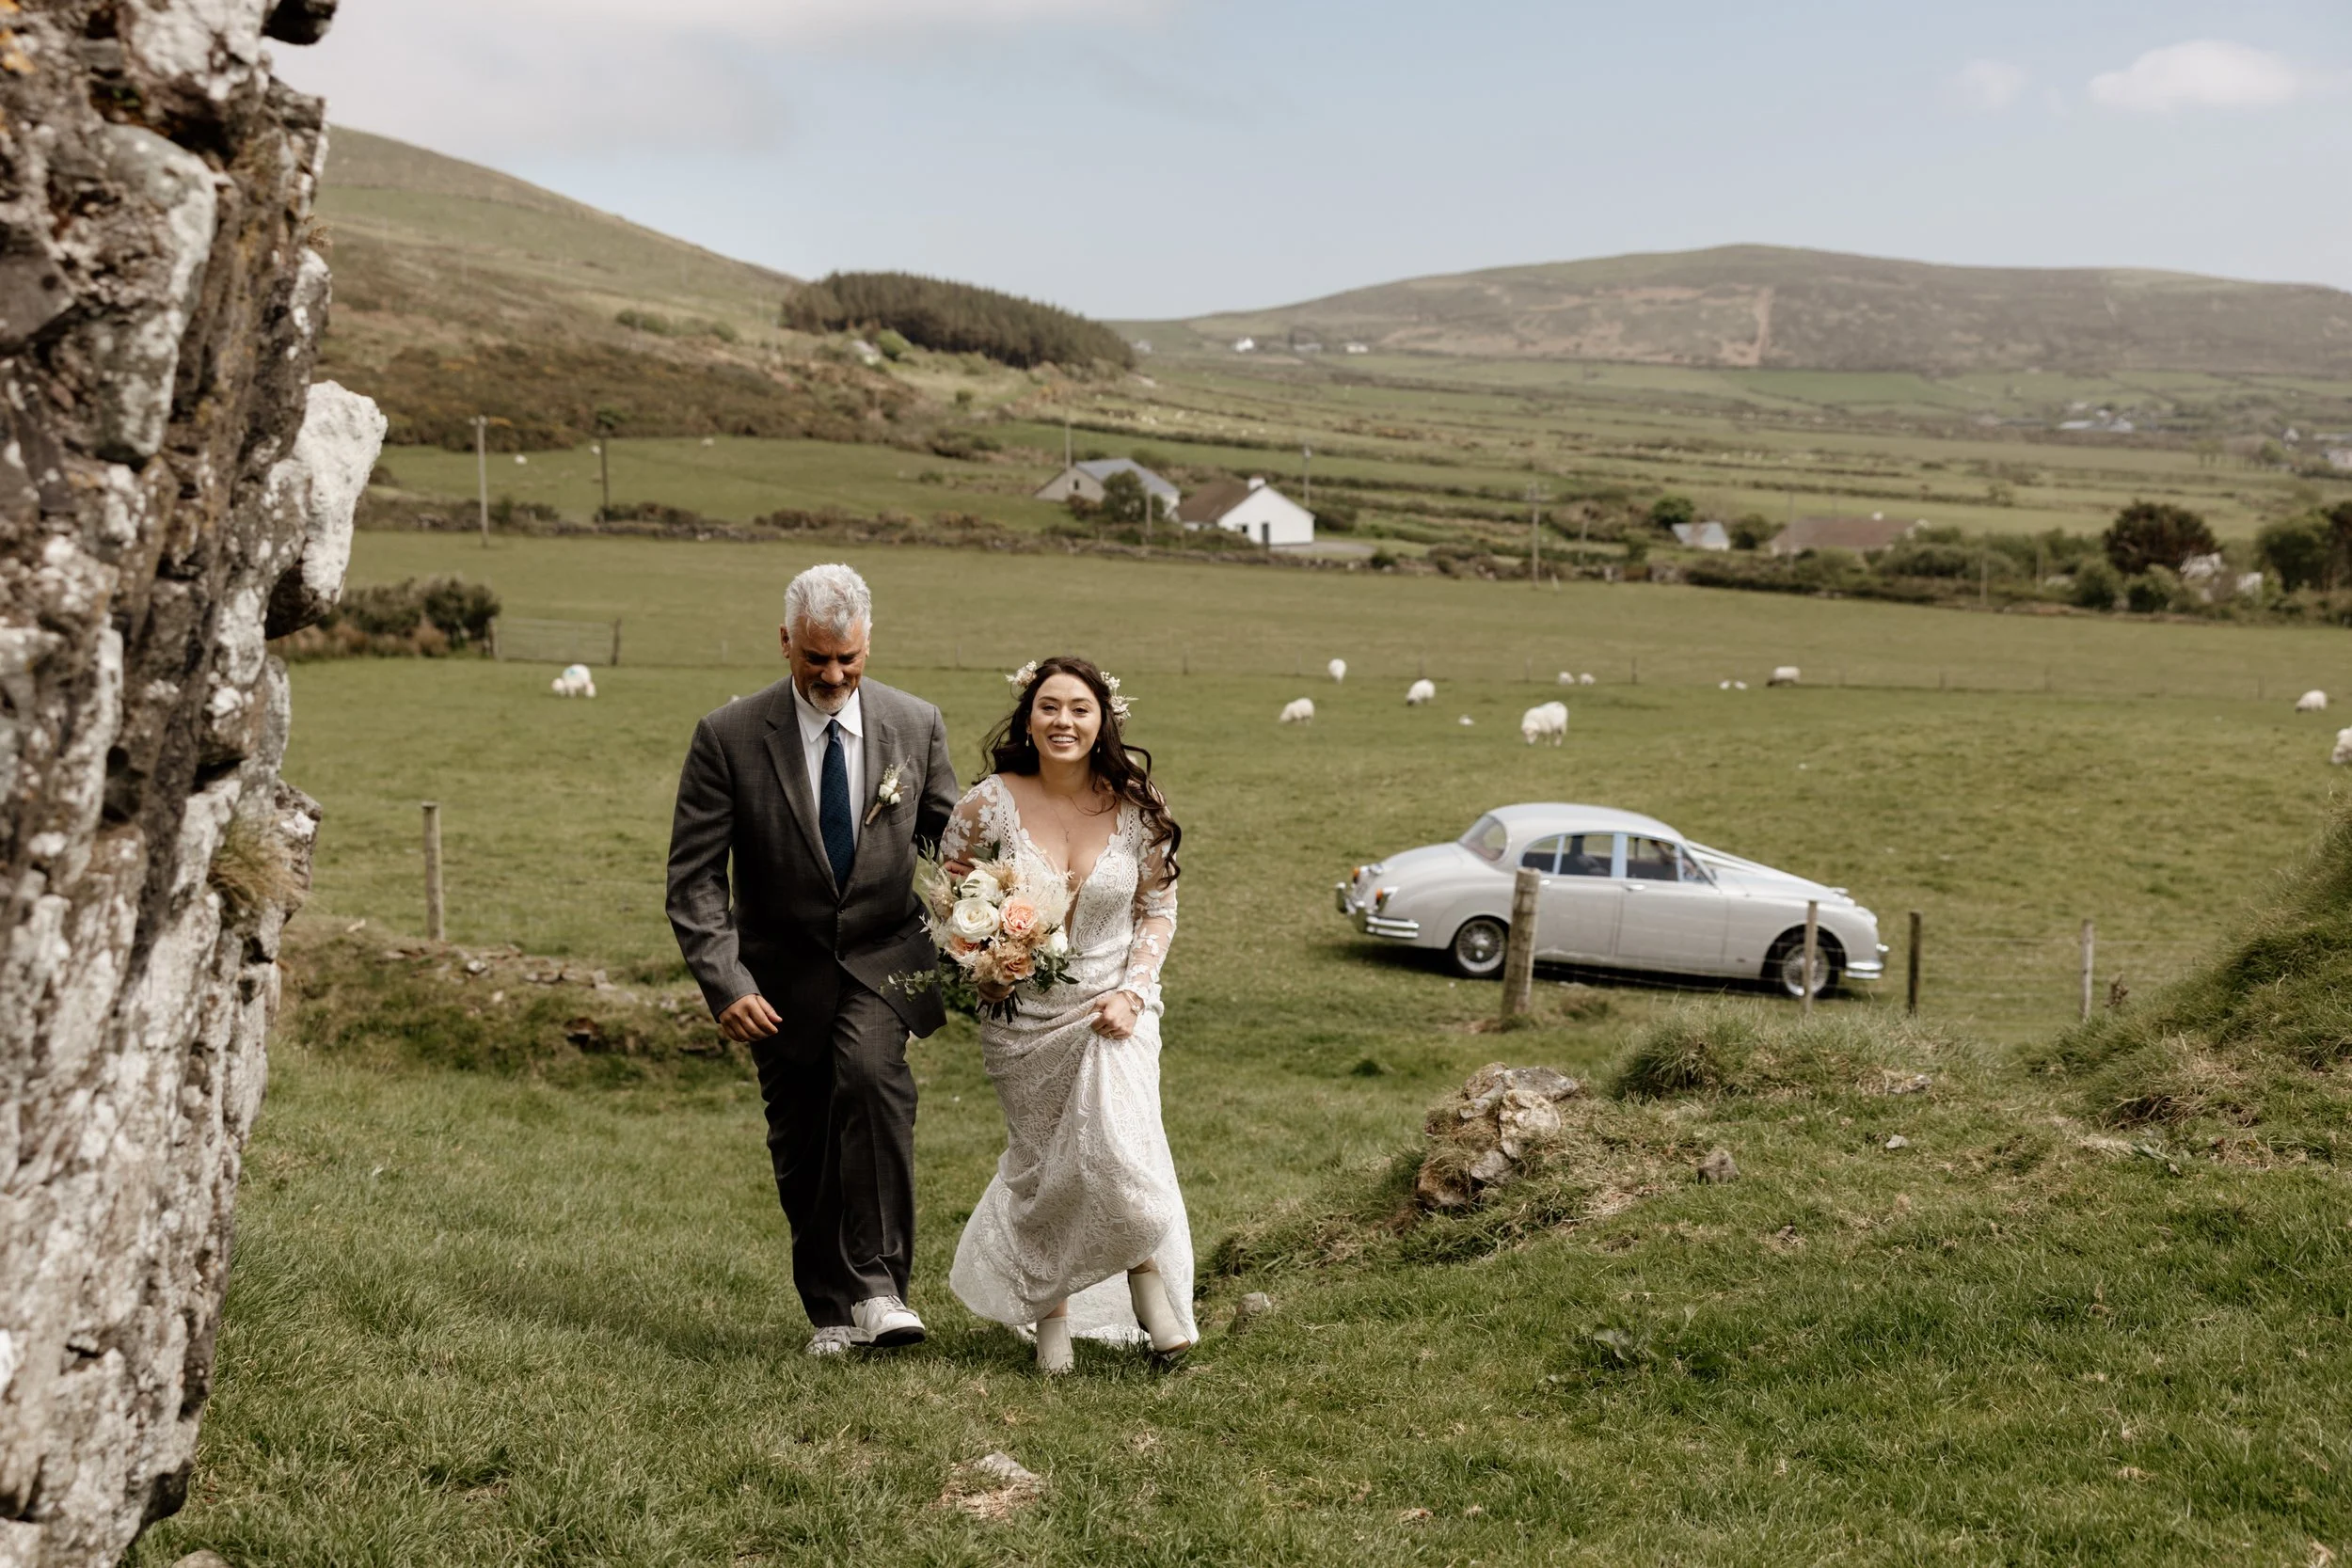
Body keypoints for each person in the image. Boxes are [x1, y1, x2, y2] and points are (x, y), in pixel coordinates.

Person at [665, 562, 959, 1356]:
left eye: (849, 661)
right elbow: (694, 881)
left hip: (882, 959)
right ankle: (831, 1312)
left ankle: (880, 1287)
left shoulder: (916, 724)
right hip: (778, 976)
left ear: (869, 645)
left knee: (871, 1081)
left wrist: (999, 912)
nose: (833, 676)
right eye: (817, 659)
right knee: (803, 1140)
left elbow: (954, 845)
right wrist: (724, 982)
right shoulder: (727, 736)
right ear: (786, 642)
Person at [942, 656, 1195, 1375]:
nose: (1064, 721)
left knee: (1118, 1160)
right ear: (1028, 715)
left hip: (1116, 1007)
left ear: (1103, 718)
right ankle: (1052, 1331)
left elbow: (1158, 908)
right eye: (1049, 707)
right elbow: (949, 901)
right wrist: (981, 967)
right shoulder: (987, 803)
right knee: (1046, 1170)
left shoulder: (1138, 801)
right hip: (1022, 1018)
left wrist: (1134, 991)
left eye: (1079, 708)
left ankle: (1154, 1305)